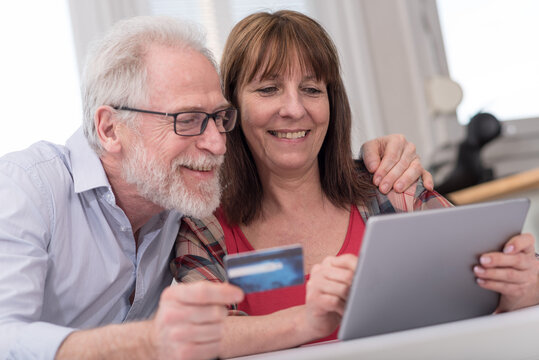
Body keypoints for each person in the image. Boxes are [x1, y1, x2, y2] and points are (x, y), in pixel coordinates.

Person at [0, 16, 430, 360]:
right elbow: (6, 338)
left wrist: (386, 154)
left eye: (218, 118)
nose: (215, 141)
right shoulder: (24, 190)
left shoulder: (178, 198)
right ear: (110, 128)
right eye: (186, 119)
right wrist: (148, 343)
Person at [173, 10, 539, 358]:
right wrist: (310, 320)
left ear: (332, 102)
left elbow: (481, 291)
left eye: (312, 89)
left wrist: (519, 290)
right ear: (231, 106)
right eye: (268, 89)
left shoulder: (389, 188)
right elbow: (207, 336)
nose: (294, 109)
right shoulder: (203, 225)